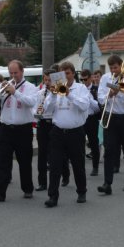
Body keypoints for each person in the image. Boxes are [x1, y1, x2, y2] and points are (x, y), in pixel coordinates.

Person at [0, 60, 38, 202]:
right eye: (11, 73)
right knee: (3, 161)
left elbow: (31, 102)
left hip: (23, 129)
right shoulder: (5, 86)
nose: (13, 75)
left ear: (22, 72)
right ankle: (0, 192)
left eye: (16, 72)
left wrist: (15, 93)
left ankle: (27, 188)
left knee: (24, 161)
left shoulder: (30, 87)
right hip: (5, 128)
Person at [43, 62, 90, 207]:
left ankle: (81, 191)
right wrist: (51, 95)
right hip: (58, 131)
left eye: (68, 73)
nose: (66, 76)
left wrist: (68, 94)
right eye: (63, 74)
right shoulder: (55, 89)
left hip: (75, 132)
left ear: (73, 74)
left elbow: (84, 106)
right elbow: (47, 111)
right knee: (55, 165)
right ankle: (53, 196)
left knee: (78, 165)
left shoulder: (81, 88)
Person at [97, 55, 124, 195]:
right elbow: (100, 97)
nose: (114, 70)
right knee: (109, 150)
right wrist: (109, 95)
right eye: (111, 68)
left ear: (122, 65)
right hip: (111, 116)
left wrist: (119, 93)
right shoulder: (105, 78)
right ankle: (107, 183)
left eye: (116, 67)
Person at [34, 70, 70, 191]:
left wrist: (53, 94)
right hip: (43, 124)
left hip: (54, 124)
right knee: (42, 154)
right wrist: (37, 112)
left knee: (58, 153)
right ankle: (42, 182)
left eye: (50, 80)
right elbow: (34, 109)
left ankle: (65, 175)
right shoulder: (40, 93)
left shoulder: (60, 93)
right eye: (45, 80)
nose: (47, 82)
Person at [80, 69, 101, 176]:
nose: (83, 81)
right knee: (80, 143)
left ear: (90, 78)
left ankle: (95, 167)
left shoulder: (96, 89)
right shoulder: (79, 89)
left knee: (93, 143)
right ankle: (81, 166)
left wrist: (89, 98)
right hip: (81, 118)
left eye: (85, 79)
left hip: (92, 119)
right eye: (81, 79)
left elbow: (98, 108)